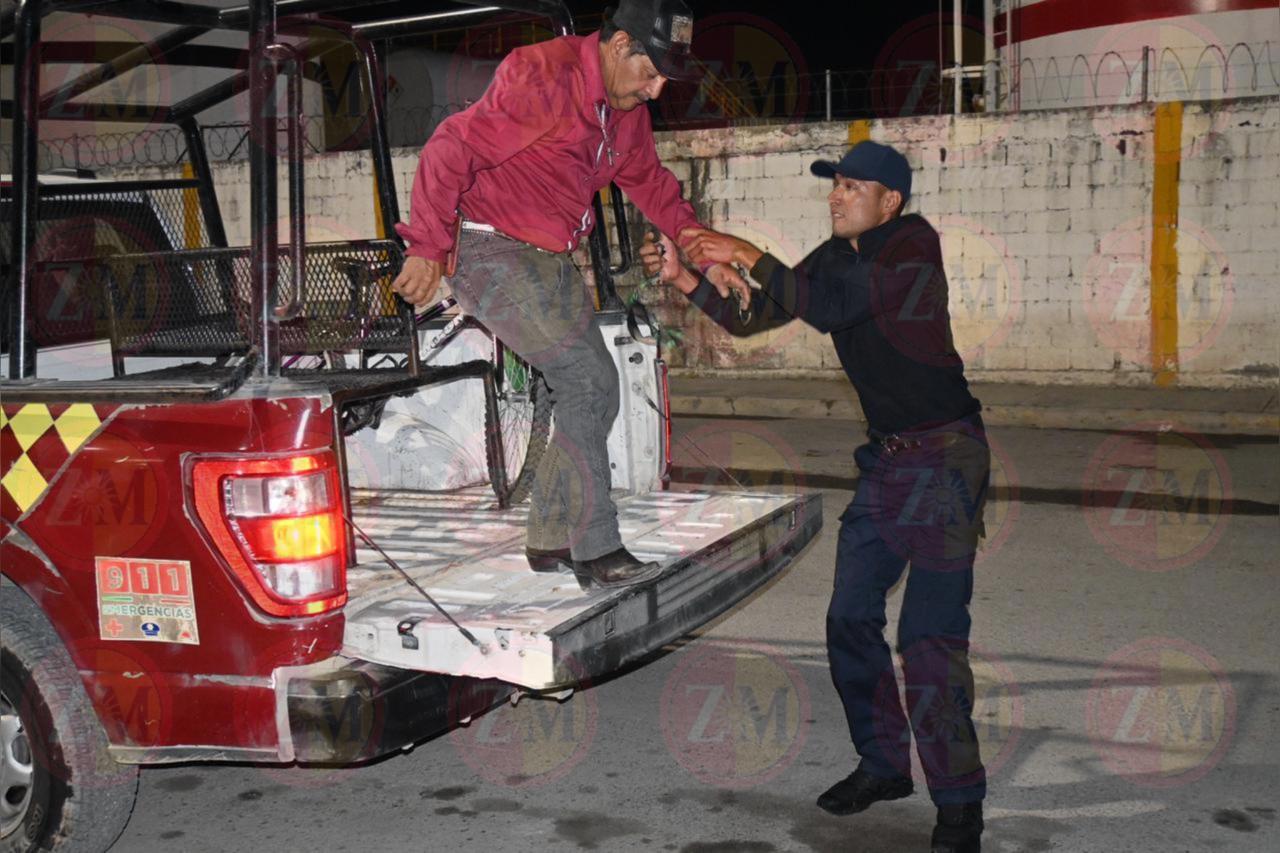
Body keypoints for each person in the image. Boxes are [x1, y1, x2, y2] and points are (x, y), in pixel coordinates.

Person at [641, 140, 989, 853]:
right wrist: (688, 279)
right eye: (834, 186)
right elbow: (756, 315)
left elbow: (831, 308)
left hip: (946, 463)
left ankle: (959, 803)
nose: (835, 196)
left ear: (889, 200)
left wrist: (743, 246)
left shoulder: (910, 248)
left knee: (927, 641)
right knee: (849, 617)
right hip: (890, 465)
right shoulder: (838, 253)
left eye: (851, 186)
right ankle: (885, 764)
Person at [390, 0, 747, 588]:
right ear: (616, 45)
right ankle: (596, 549)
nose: (656, 91)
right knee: (587, 380)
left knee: (595, 392)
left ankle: (551, 536)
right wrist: (427, 244)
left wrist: (698, 242)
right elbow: (450, 147)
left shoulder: (622, 108)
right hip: (492, 251)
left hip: (547, 260)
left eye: (664, 79)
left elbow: (649, 179)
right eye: (651, 73)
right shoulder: (543, 77)